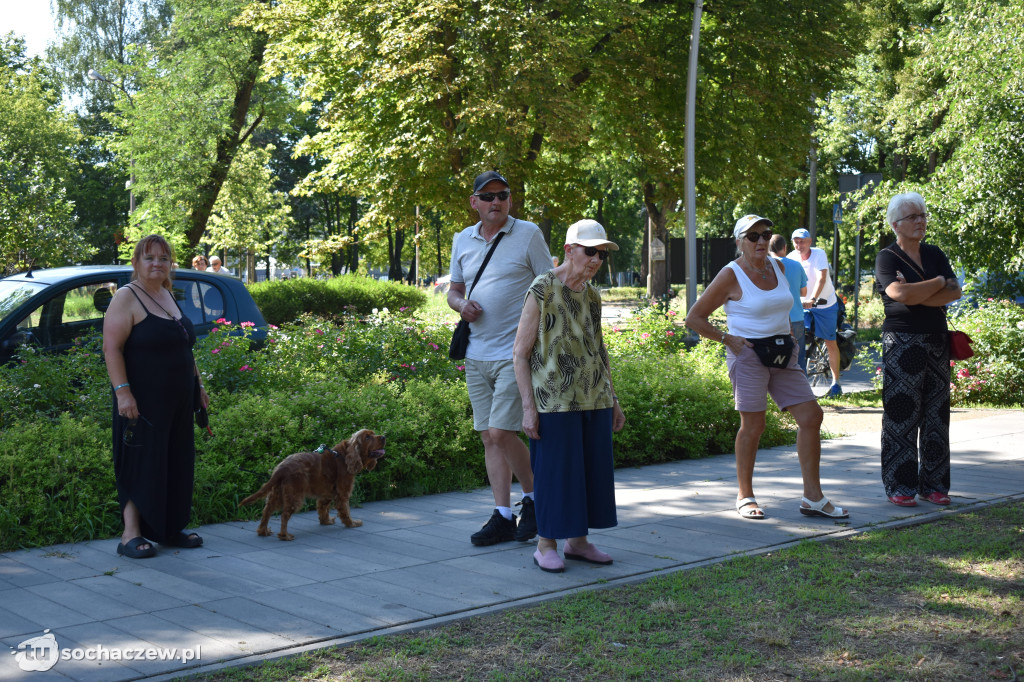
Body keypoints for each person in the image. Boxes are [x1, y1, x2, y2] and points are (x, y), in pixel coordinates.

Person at [685, 215, 849, 521]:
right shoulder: (730, 274)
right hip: (747, 354)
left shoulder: (779, 266)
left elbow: (783, 304)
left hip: (782, 353)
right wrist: (727, 339)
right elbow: (694, 318)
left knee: (812, 416)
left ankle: (813, 497)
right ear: (739, 242)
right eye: (752, 236)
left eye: (765, 234)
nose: (761, 241)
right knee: (754, 425)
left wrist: (787, 332)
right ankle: (744, 495)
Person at [513, 220, 626, 573]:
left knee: (589, 474)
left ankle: (577, 542)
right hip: (553, 400)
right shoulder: (542, 288)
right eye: (590, 251)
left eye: (601, 254)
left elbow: (599, 348)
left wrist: (614, 399)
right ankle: (545, 543)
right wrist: (528, 409)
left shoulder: (592, 295)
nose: (596, 260)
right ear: (569, 250)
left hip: (594, 397)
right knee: (555, 473)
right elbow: (520, 352)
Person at [448, 170, 553, 545]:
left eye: (503, 195)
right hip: (476, 353)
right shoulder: (463, 238)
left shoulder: (528, 234)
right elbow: (454, 289)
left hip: (516, 354)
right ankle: (504, 515)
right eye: (488, 196)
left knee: (502, 431)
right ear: (474, 202)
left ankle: (538, 500)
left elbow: (549, 286)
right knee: (488, 438)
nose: (496, 201)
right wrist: (461, 305)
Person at [102, 235, 209, 558]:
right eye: (149, 258)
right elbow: (111, 349)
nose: (157, 264)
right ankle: (130, 535)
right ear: (136, 262)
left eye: (163, 258)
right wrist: (123, 393)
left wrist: (198, 386)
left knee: (176, 461)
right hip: (141, 401)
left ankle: (168, 528)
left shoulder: (166, 294)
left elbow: (184, 349)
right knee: (140, 462)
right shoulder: (126, 297)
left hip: (178, 400)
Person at [875, 192, 961, 507]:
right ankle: (900, 486)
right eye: (913, 216)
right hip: (902, 342)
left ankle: (934, 485)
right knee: (901, 415)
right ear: (896, 223)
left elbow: (954, 292)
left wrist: (917, 291)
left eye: (923, 215)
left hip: (937, 340)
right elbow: (897, 293)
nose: (921, 221)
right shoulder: (887, 257)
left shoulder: (935, 253)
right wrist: (937, 283)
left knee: (937, 415)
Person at [788, 227, 843, 396]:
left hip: (824, 304)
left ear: (810, 241)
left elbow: (822, 278)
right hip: (802, 305)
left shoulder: (819, 254)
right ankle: (798, 383)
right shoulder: (790, 258)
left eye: (803, 241)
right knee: (794, 339)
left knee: (829, 341)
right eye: (796, 241)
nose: (799, 245)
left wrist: (812, 298)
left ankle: (836, 383)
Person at [769, 235, 808, 369]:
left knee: (775, 361)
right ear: (785, 247)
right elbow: (804, 292)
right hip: (796, 317)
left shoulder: (766, 266)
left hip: (773, 321)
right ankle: (802, 389)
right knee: (799, 359)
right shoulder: (796, 265)